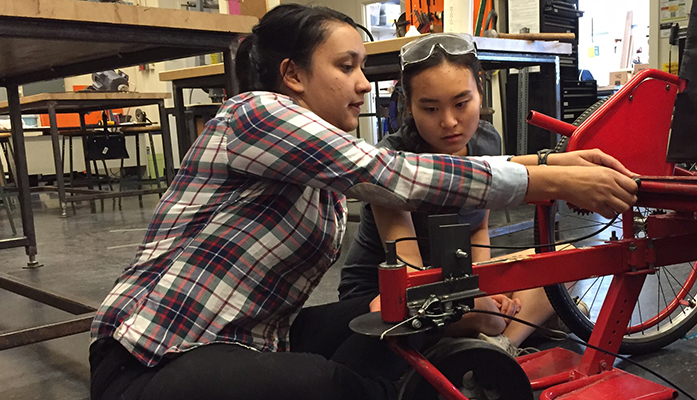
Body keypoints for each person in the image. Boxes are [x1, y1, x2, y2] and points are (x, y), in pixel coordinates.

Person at [89, 4, 639, 400]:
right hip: (153, 358)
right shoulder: (254, 114)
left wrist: (556, 164)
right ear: (293, 76)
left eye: (361, 68)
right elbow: (397, 177)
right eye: (346, 66)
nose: (361, 83)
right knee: (319, 382)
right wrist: (549, 179)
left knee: (414, 313)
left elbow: (428, 183)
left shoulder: (329, 168)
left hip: (260, 340)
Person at [338, 33, 586, 356]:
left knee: (567, 260)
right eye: (430, 108)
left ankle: (500, 344)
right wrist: (481, 302)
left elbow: (477, 227)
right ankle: (498, 330)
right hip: (389, 295)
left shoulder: (486, 142)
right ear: (408, 106)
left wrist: (481, 288)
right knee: (482, 311)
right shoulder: (390, 161)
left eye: (461, 103)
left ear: (480, 92)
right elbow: (412, 280)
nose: (450, 122)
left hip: (453, 281)